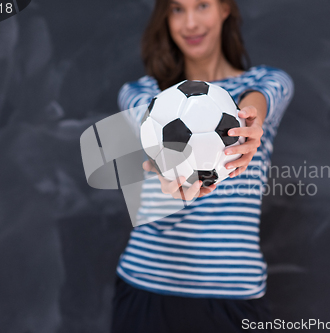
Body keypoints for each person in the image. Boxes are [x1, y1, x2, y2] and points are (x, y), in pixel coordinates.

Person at [112, 0, 294, 332]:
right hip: (147, 289)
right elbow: (147, 121)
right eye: (177, 9)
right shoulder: (141, 93)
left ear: (225, 9)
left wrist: (250, 120)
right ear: (165, 17)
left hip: (234, 298)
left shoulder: (268, 82)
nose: (190, 23)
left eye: (202, 5)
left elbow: (259, 96)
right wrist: (171, 180)